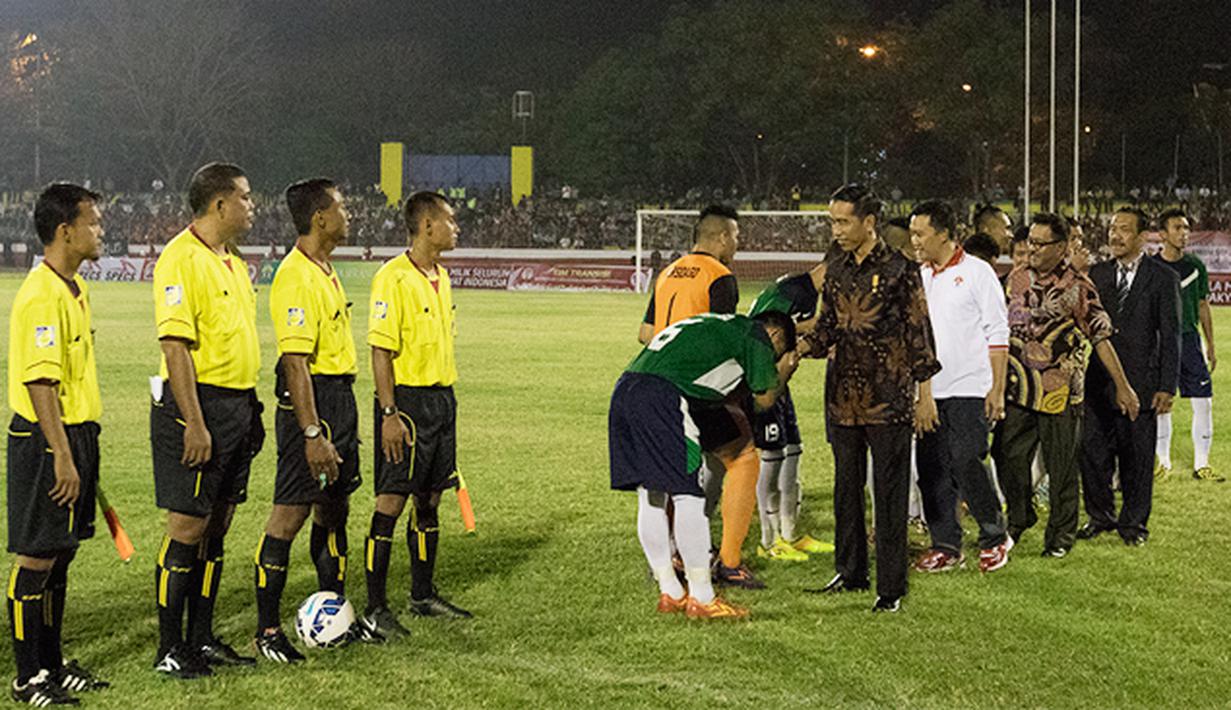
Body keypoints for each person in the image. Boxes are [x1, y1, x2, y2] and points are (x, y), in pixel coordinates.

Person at [252, 180, 379, 663]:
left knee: (333, 509)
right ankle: (267, 631)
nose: (349, 214)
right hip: (311, 405)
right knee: (290, 515)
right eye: (341, 207)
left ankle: (336, 611)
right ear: (320, 217)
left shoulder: (325, 269)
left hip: (338, 397)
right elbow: (295, 362)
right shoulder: (295, 275)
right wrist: (312, 433)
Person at [801, 184, 941, 613]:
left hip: (888, 399)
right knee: (846, 489)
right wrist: (796, 348)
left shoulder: (901, 269)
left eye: (844, 222)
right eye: (833, 222)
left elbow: (919, 333)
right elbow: (826, 328)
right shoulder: (836, 268)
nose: (836, 230)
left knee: (889, 493)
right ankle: (850, 572)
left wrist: (925, 395)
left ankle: (891, 588)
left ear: (869, 222)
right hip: (842, 399)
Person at [609, 312, 799, 619]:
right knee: (688, 495)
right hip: (665, 397)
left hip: (626, 388)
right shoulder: (757, 335)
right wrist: (785, 370)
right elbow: (764, 400)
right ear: (776, 337)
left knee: (652, 494)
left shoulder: (718, 323)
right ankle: (702, 597)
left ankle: (670, 591)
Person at [151, 163, 263, 678]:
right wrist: (194, 423)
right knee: (187, 527)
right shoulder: (180, 258)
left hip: (237, 406)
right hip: (198, 407)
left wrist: (250, 407)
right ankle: (169, 647)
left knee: (217, 526)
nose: (252, 205)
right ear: (219, 204)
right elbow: (175, 347)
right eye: (245, 197)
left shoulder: (233, 261)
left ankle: (201, 637)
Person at [6, 184, 109, 705]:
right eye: (94, 222)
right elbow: (39, 382)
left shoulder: (74, 287)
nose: (101, 230)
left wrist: (79, 447)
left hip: (74, 435)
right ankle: (27, 678)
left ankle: (51, 664)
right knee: (36, 558)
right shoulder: (42, 294)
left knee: (61, 555)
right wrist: (63, 455)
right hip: (47, 440)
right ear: (65, 231)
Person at [992, 213, 1138, 558]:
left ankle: (1060, 536)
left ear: (1061, 247)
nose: (1033, 249)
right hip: (1018, 388)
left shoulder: (1078, 286)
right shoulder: (1014, 279)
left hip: (1059, 393)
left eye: (1041, 244)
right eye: (1031, 242)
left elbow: (1101, 337)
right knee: (1006, 455)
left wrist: (1123, 386)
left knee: (1061, 468)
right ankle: (1020, 515)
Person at [637, 206, 764, 589]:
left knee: (677, 473)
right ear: (722, 237)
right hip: (695, 385)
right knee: (743, 458)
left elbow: (645, 332)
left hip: (655, 385)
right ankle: (730, 562)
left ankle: (675, 553)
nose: (737, 244)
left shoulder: (668, 272)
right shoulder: (719, 276)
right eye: (736, 236)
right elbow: (720, 339)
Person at [362, 192, 470, 638]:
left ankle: (422, 595)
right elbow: (380, 351)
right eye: (450, 220)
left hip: (442, 400)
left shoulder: (442, 276)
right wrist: (389, 413)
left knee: (430, 499)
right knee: (391, 501)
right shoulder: (392, 277)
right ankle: (375, 607)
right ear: (427, 226)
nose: (456, 228)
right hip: (405, 404)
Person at [908, 201, 1013, 574]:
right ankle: (946, 545)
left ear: (943, 234)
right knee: (931, 470)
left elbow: (998, 333)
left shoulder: (977, 273)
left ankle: (995, 536)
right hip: (928, 393)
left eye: (920, 233)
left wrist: (996, 390)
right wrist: (919, 393)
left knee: (967, 460)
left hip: (969, 388)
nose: (914, 240)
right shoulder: (918, 277)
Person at [1078, 208, 1180, 546]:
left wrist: (1166, 385)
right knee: (1092, 452)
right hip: (1098, 381)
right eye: (1112, 228)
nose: (1115, 235)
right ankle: (1100, 517)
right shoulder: (1096, 274)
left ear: (1142, 237)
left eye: (1123, 229)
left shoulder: (1162, 277)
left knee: (1136, 457)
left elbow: (1171, 335)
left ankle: (1134, 525)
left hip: (1142, 382)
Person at [746, 265, 834, 561]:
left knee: (793, 451)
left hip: (782, 382)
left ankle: (791, 534)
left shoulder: (808, 293)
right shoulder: (791, 291)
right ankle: (768, 540)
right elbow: (761, 329)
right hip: (766, 379)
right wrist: (814, 325)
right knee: (772, 457)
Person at [1153, 209, 1221, 481]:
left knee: (1204, 402)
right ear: (1163, 234)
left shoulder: (1196, 266)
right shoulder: (1151, 268)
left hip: (1190, 340)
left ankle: (1201, 464)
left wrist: (1210, 344)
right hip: (1160, 341)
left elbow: (1203, 305)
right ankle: (1163, 463)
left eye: (1186, 228)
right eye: (1177, 228)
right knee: (1161, 403)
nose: (1184, 233)